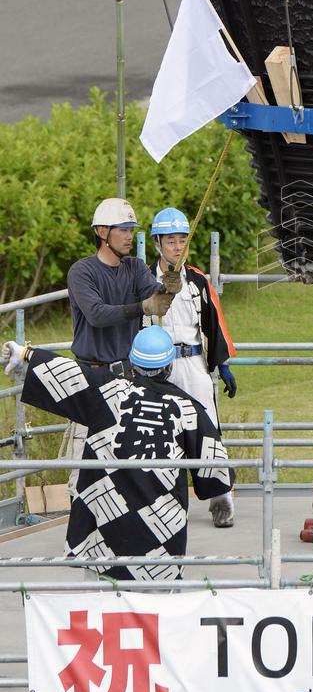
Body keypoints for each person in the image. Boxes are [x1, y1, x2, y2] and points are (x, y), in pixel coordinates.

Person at [2, 327, 234, 583]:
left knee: (102, 611)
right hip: (159, 543)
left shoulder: (105, 391)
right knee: (157, 616)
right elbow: (216, 470)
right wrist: (222, 495)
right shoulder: (188, 409)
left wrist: (24, 354)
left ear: (132, 362)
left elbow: (67, 372)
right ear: (170, 366)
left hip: (102, 536)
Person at [65, 198, 178, 496]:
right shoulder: (82, 272)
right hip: (89, 377)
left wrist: (169, 286)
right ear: (103, 232)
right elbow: (97, 314)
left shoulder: (135, 267)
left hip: (128, 377)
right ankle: (79, 528)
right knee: (84, 465)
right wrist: (143, 306)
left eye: (131, 229)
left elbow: (157, 300)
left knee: (129, 461)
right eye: (123, 229)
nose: (130, 236)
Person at [143, 207, 238, 528]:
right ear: (157, 243)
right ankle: (164, 501)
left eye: (183, 240)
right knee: (160, 432)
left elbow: (214, 323)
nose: (178, 246)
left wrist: (222, 365)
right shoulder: (143, 279)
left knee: (207, 429)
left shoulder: (197, 280)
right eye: (171, 240)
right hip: (157, 369)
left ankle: (220, 498)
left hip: (194, 364)